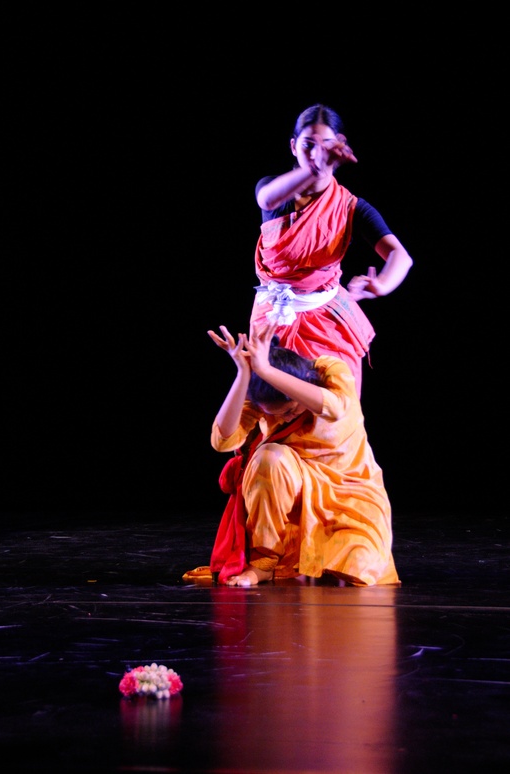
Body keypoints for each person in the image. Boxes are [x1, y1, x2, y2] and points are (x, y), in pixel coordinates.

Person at [204, 321, 400, 588]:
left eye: (291, 409)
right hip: (293, 490)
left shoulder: (328, 371)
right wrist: (244, 374)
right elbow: (222, 441)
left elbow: (335, 408)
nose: (287, 417)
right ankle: (264, 562)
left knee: (360, 565)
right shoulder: (263, 398)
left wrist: (266, 370)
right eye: (279, 414)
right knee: (268, 457)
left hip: (350, 493)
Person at [250, 103, 413, 396]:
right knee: (275, 407)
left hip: (327, 322)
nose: (316, 153)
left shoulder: (350, 207)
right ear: (293, 147)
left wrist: (381, 284)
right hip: (274, 320)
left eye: (325, 146)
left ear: (339, 145)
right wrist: (316, 167)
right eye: (308, 145)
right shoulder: (273, 190)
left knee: (334, 407)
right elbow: (267, 200)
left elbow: (400, 257)